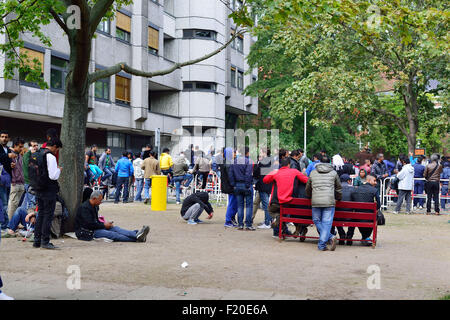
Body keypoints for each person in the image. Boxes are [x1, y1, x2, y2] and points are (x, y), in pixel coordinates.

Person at [75, 190, 149, 242]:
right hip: (88, 232)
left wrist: (105, 224)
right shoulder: (84, 208)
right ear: (94, 199)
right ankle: (136, 238)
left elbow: (95, 222)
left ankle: (136, 234)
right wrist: (104, 225)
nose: (101, 202)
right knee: (113, 235)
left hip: (95, 228)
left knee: (116, 228)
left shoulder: (94, 206)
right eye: (100, 200)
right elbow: (89, 225)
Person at [263, 157, 309, 238]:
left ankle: (278, 220)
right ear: (289, 164)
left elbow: (265, 180)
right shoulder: (294, 171)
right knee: (289, 213)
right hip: (289, 203)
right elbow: (307, 180)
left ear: (281, 164)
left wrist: (274, 175)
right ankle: (286, 227)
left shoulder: (276, 172)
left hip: (277, 202)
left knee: (271, 210)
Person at [305, 155, 341, 251]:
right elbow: (338, 188)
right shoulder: (334, 173)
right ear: (330, 163)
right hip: (329, 201)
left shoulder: (313, 172)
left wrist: (309, 196)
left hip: (316, 201)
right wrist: (338, 198)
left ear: (320, 162)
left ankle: (324, 243)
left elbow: (308, 188)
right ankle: (328, 239)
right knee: (327, 222)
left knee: (316, 220)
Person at [32, 138, 63, 250]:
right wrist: (59, 169)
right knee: (48, 215)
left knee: (40, 214)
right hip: (49, 189)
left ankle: (37, 240)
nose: (56, 151)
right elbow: (53, 176)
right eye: (57, 149)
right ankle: (45, 241)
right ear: (54, 146)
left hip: (38, 188)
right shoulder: (50, 156)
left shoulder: (37, 153)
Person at [229, 147, 255, 230]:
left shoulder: (234, 161)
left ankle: (240, 224)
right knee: (249, 206)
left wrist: (233, 184)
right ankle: (248, 224)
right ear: (247, 153)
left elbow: (231, 174)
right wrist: (247, 185)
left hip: (237, 185)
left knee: (240, 205)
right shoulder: (248, 161)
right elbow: (248, 174)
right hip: (246, 185)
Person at [350, 175, 380, 246]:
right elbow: (378, 205)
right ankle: (365, 237)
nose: (376, 183)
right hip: (369, 218)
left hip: (356, 217)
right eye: (374, 180)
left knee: (356, 216)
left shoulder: (355, 189)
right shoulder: (374, 190)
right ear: (369, 180)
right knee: (374, 216)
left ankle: (360, 236)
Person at [331, 174, 354, 245]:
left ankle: (342, 234)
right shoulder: (353, 189)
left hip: (338, 217)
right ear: (349, 181)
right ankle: (349, 235)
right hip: (350, 217)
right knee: (354, 216)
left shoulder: (335, 189)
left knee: (335, 215)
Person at [252, 149, 273, 229]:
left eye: (261, 152)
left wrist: (257, 165)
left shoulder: (262, 162)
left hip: (262, 185)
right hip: (268, 185)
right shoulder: (270, 162)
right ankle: (268, 220)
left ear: (264, 153)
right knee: (266, 203)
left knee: (266, 205)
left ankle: (267, 223)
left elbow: (256, 173)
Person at [220, 148, 238, 228]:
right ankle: (228, 220)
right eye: (233, 153)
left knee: (233, 203)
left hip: (227, 186)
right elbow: (230, 176)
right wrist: (234, 184)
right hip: (231, 186)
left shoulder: (225, 161)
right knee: (232, 203)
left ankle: (230, 219)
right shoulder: (229, 163)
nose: (234, 154)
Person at [7, 138, 25, 221]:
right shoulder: (9, 154)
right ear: (15, 146)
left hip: (21, 183)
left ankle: (14, 222)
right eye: (20, 147)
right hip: (14, 182)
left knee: (17, 204)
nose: (22, 149)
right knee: (12, 204)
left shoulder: (20, 156)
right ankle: (10, 223)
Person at [0, 130, 13, 230]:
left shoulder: (8, 149)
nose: (4, 138)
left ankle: (5, 224)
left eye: (6, 137)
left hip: (8, 180)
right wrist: (7, 156)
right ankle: (5, 225)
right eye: (2, 136)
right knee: (4, 204)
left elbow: (7, 163)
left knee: (6, 204)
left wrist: (11, 164)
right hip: (1, 180)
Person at [21, 140, 39, 210]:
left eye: (37, 145)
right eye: (34, 146)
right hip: (29, 183)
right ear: (29, 147)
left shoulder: (36, 154)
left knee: (26, 203)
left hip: (34, 183)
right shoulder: (27, 155)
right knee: (32, 203)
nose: (36, 147)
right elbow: (31, 166)